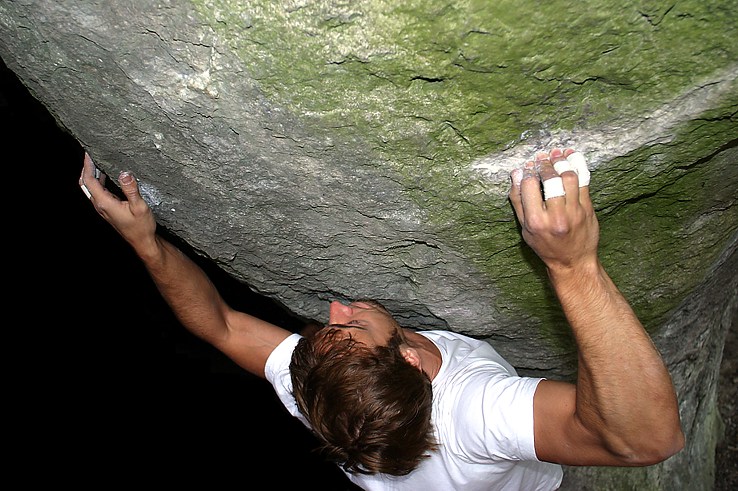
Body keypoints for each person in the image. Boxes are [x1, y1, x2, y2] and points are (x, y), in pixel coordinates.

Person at [79, 147, 684, 490]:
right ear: (418, 363)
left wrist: (146, 245)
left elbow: (222, 326)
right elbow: (647, 440)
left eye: (332, 326)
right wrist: (573, 265)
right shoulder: (473, 414)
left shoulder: (327, 388)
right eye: (352, 325)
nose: (337, 308)